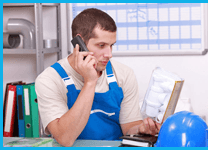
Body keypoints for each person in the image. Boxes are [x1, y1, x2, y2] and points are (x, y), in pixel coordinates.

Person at [35, 8, 161, 147]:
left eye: (111, 45)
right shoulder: (49, 79)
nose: (109, 54)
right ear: (80, 43)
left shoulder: (124, 74)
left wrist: (141, 129)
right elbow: (65, 138)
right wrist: (90, 82)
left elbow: (129, 126)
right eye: (101, 45)